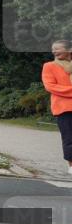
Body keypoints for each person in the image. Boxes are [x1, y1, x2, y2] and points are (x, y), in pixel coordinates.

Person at [42, 39, 72, 176]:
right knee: (69, 139)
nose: (54, 51)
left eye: (58, 48)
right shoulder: (49, 66)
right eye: (53, 49)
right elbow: (50, 86)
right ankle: (71, 166)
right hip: (64, 108)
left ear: (69, 50)